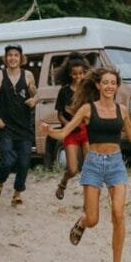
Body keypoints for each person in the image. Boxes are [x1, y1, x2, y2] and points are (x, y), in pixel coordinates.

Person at [40, 66, 131, 262]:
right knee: (94, 219)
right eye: (105, 82)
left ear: (116, 86)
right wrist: (49, 131)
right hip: (93, 164)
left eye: (112, 83)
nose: (109, 86)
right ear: (98, 85)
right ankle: (82, 222)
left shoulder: (122, 110)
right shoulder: (87, 109)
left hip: (115, 164)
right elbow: (64, 133)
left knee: (118, 213)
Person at [0, 44, 38, 207]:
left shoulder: (28, 75)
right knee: (8, 160)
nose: (13, 58)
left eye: (16, 55)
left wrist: (34, 100)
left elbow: (35, 93)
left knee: (24, 162)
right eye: (10, 55)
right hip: (5, 126)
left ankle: (17, 194)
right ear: (5, 58)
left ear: (21, 58)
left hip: (24, 127)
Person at [54, 53, 91, 200]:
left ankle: (88, 197)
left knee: (89, 167)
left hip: (86, 130)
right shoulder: (64, 91)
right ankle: (63, 183)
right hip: (70, 132)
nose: (79, 77)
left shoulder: (88, 90)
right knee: (73, 169)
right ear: (70, 74)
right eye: (75, 74)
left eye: (81, 73)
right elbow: (59, 115)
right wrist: (68, 125)